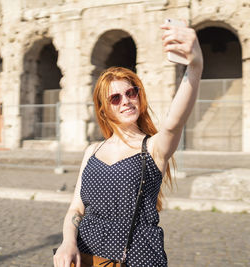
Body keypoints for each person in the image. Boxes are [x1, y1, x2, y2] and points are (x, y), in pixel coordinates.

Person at [53, 20, 203, 267]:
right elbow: (76, 209)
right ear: (104, 109)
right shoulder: (92, 151)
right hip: (86, 256)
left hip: (138, 258)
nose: (125, 101)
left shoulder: (154, 147)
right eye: (115, 97)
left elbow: (174, 122)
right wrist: (68, 242)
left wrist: (195, 66)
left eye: (131, 93)